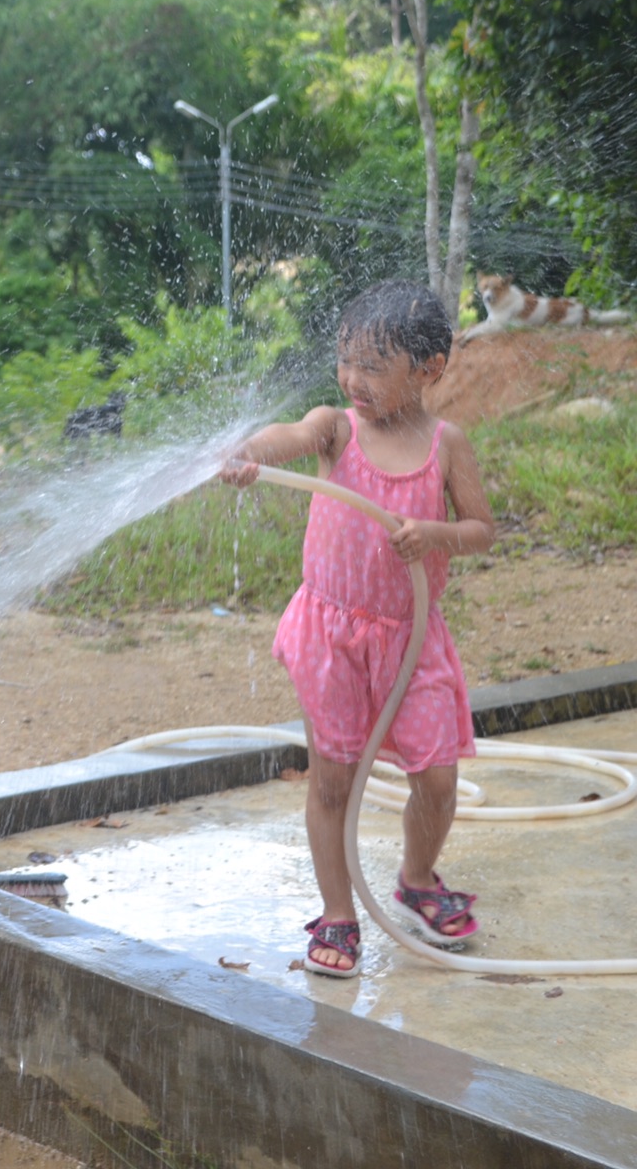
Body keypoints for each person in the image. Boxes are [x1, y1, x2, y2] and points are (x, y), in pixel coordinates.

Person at [221, 279, 496, 978]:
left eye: (373, 365)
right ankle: (339, 916)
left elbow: (480, 529)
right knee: (333, 782)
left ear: (428, 370)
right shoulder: (337, 427)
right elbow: (290, 435)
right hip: (333, 637)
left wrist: (435, 532)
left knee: (436, 779)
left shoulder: (445, 445)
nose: (353, 379)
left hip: (410, 639)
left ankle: (416, 880)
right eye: (346, 360)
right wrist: (251, 452)